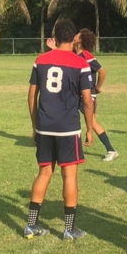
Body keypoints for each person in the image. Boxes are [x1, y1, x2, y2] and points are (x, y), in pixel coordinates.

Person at [24, 19, 95, 240]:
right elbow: (87, 99)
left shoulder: (41, 60)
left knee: (44, 173)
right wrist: (90, 128)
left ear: (55, 36)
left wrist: (35, 125)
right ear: (74, 38)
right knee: (70, 175)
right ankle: (68, 228)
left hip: (45, 126)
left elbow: (31, 95)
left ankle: (31, 225)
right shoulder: (80, 63)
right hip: (68, 127)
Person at [74, 28, 119, 162]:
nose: (74, 36)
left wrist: (97, 87)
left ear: (81, 40)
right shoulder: (74, 53)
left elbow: (102, 71)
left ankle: (111, 150)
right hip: (78, 94)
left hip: (88, 94)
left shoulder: (87, 56)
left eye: (77, 35)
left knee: (92, 122)